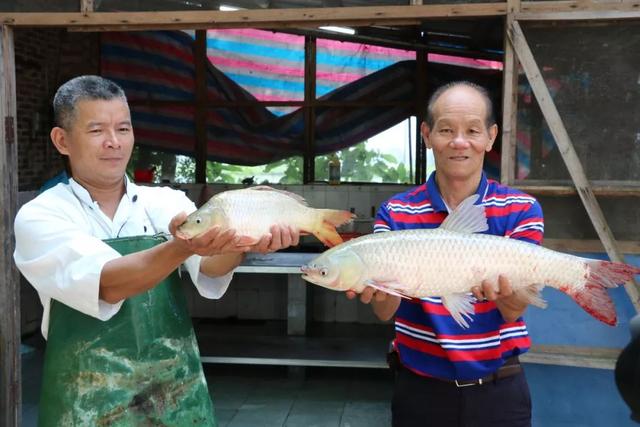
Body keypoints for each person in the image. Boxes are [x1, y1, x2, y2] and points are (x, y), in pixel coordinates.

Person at [13, 75, 300, 426]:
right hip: (85, 404)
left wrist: (243, 243)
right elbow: (108, 283)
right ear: (62, 140)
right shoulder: (42, 215)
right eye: (96, 131)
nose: (114, 142)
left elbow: (210, 266)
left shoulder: (164, 202)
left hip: (175, 396)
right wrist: (182, 246)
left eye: (123, 128)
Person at [348, 81, 544, 427]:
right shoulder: (396, 211)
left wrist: (505, 290)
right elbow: (384, 311)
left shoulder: (520, 208)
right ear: (427, 134)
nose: (459, 142)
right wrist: (374, 287)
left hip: (499, 392)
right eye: (446, 130)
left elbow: (514, 310)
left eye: (472, 130)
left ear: (491, 137)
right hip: (420, 392)